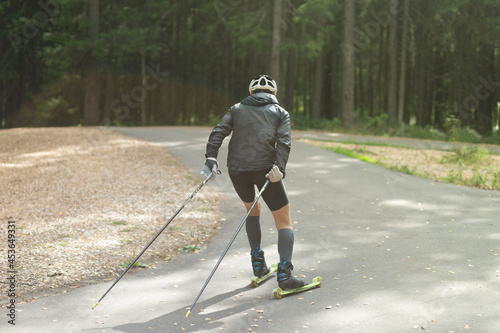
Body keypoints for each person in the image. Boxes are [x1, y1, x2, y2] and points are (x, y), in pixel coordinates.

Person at [201, 74, 304, 290]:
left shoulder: (236, 108)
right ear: (274, 94)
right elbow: (283, 143)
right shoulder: (281, 112)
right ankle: (285, 276)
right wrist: (280, 170)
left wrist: (211, 157)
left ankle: (258, 265)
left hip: (237, 171)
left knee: (252, 209)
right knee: (284, 221)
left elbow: (219, 131)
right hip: (266, 171)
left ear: (251, 93)